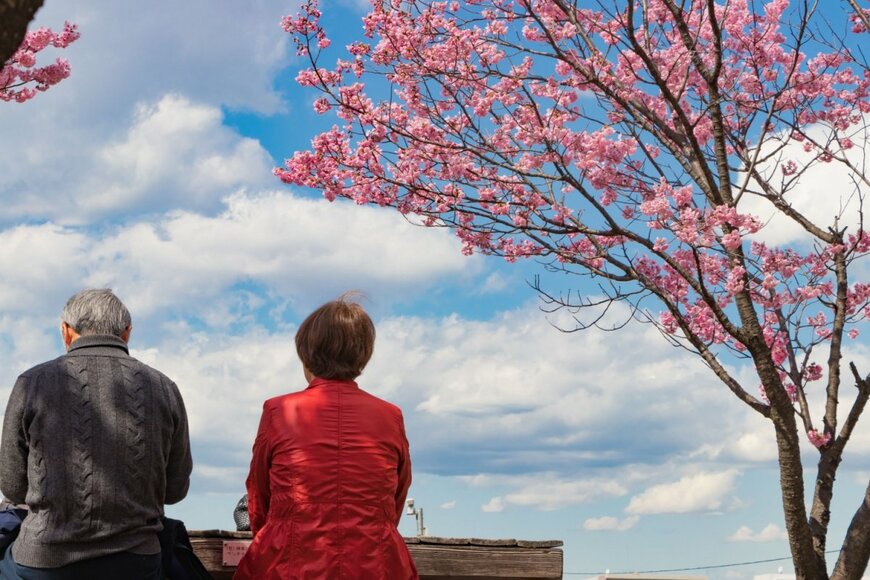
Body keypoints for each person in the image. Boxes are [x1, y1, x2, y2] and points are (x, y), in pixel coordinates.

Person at [0, 289, 193, 580]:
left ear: (66, 332)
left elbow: (12, 487)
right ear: (127, 333)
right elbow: (175, 491)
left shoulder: (31, 383)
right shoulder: (164, 387)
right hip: (136, 563)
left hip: (44, 562)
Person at [234, 294, 418, 579]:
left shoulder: (278, 410)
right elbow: (395, 497)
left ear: (307, 355)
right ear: (363, 356)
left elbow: (259, 496)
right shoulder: (390, 415)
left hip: (290, 563)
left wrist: (278, 533)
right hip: (376, 563)